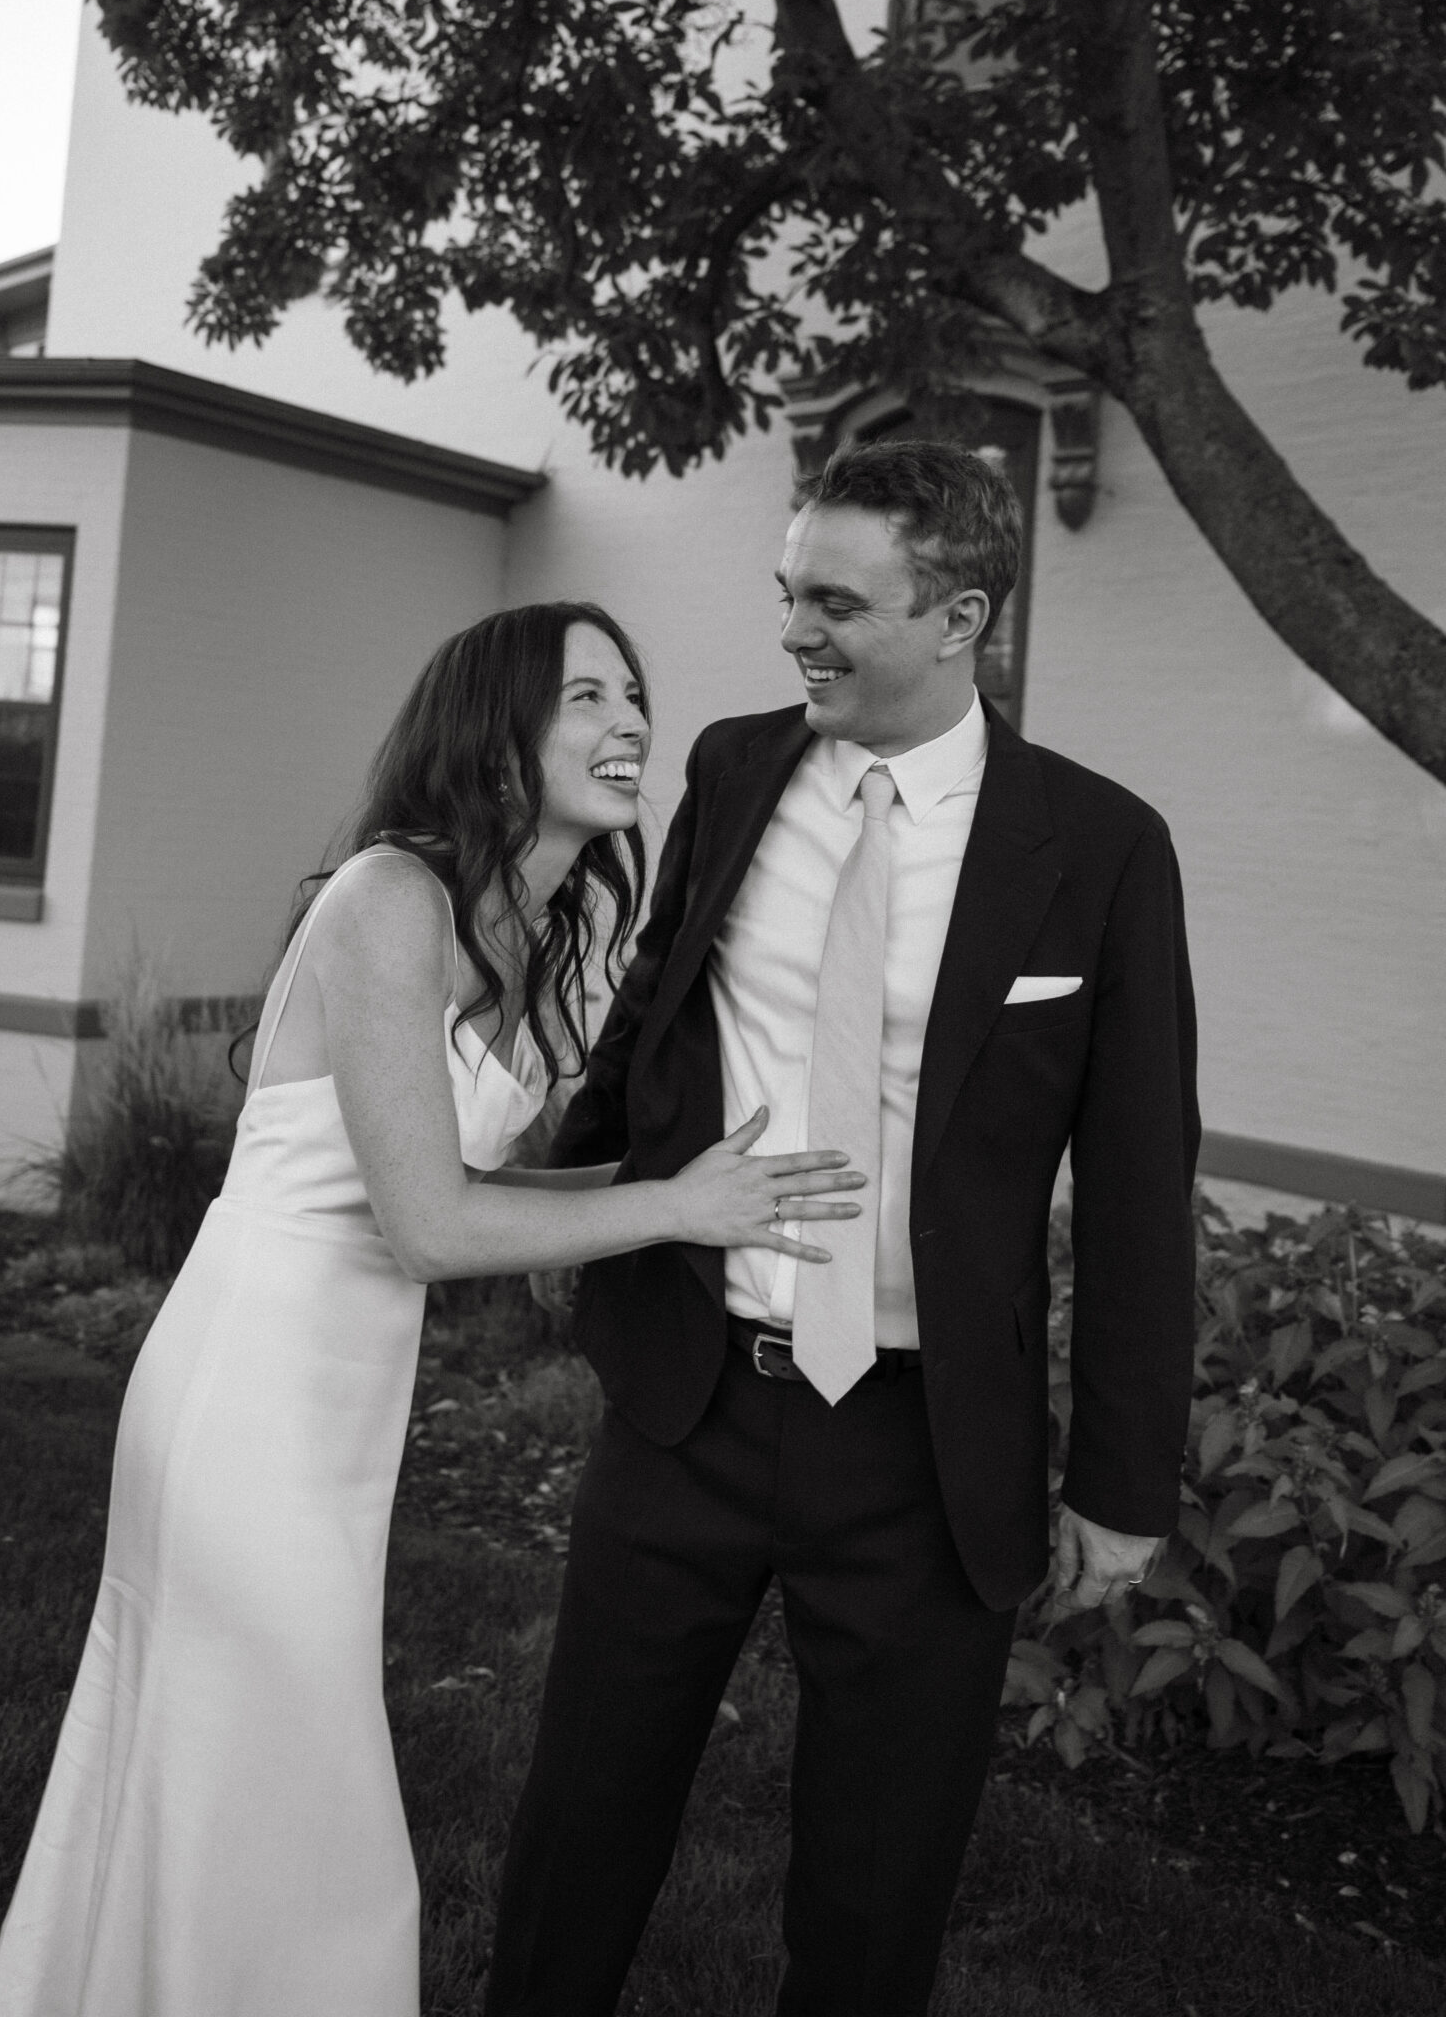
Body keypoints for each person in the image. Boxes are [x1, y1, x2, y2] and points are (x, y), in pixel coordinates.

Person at [0, 601, 863, 2017]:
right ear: (496, 733)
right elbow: (435, 1220)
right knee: (283, 1775)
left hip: (344, 1402)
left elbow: (536, 1183)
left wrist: (697, 1172)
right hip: (249, 1392)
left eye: (634, 695)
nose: (630, 722)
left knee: (242, 1767)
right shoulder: (391, 899)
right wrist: (685, 1205)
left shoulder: (551, 931)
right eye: (587, 697)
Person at [484, 443, 1200, 2017]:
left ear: (961, 617)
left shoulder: (1101, 846)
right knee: (580, 1824)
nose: (794, 631)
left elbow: (1144, 1175)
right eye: (786, 593)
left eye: (834, 602)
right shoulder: (734, 774)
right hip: (687, 1406)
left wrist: (1124, 1481)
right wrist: (534, 1198)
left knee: (878, 1891)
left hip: (925, 1451)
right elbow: (653, 1028)